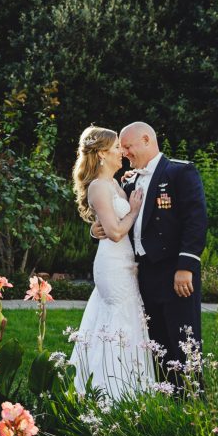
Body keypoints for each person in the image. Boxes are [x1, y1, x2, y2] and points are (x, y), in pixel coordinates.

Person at [92, 122, 206, 388]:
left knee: (183, 339)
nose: (125, 153)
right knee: (154, 341)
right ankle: (165, 397)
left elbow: (195, 220)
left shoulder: (180, 172)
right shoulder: (129, 180)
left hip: (175, 271)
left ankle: (192, 399)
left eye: (128, 147)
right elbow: (117, 218)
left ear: (146, 140)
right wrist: (95, 229)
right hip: (142, 272)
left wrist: (186, 266)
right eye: (122, 148)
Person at [67, 126, 155, 399]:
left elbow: (112, 221)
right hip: (112, 264)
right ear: (103, 154)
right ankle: (110, 391)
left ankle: (131, 386)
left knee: (128, 317)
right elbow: (116, 232)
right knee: (118, 318)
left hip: (126, 263)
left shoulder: (116, 184)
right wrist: (135, 209)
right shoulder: (97, 187)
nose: (122, 152)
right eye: (117, 147)